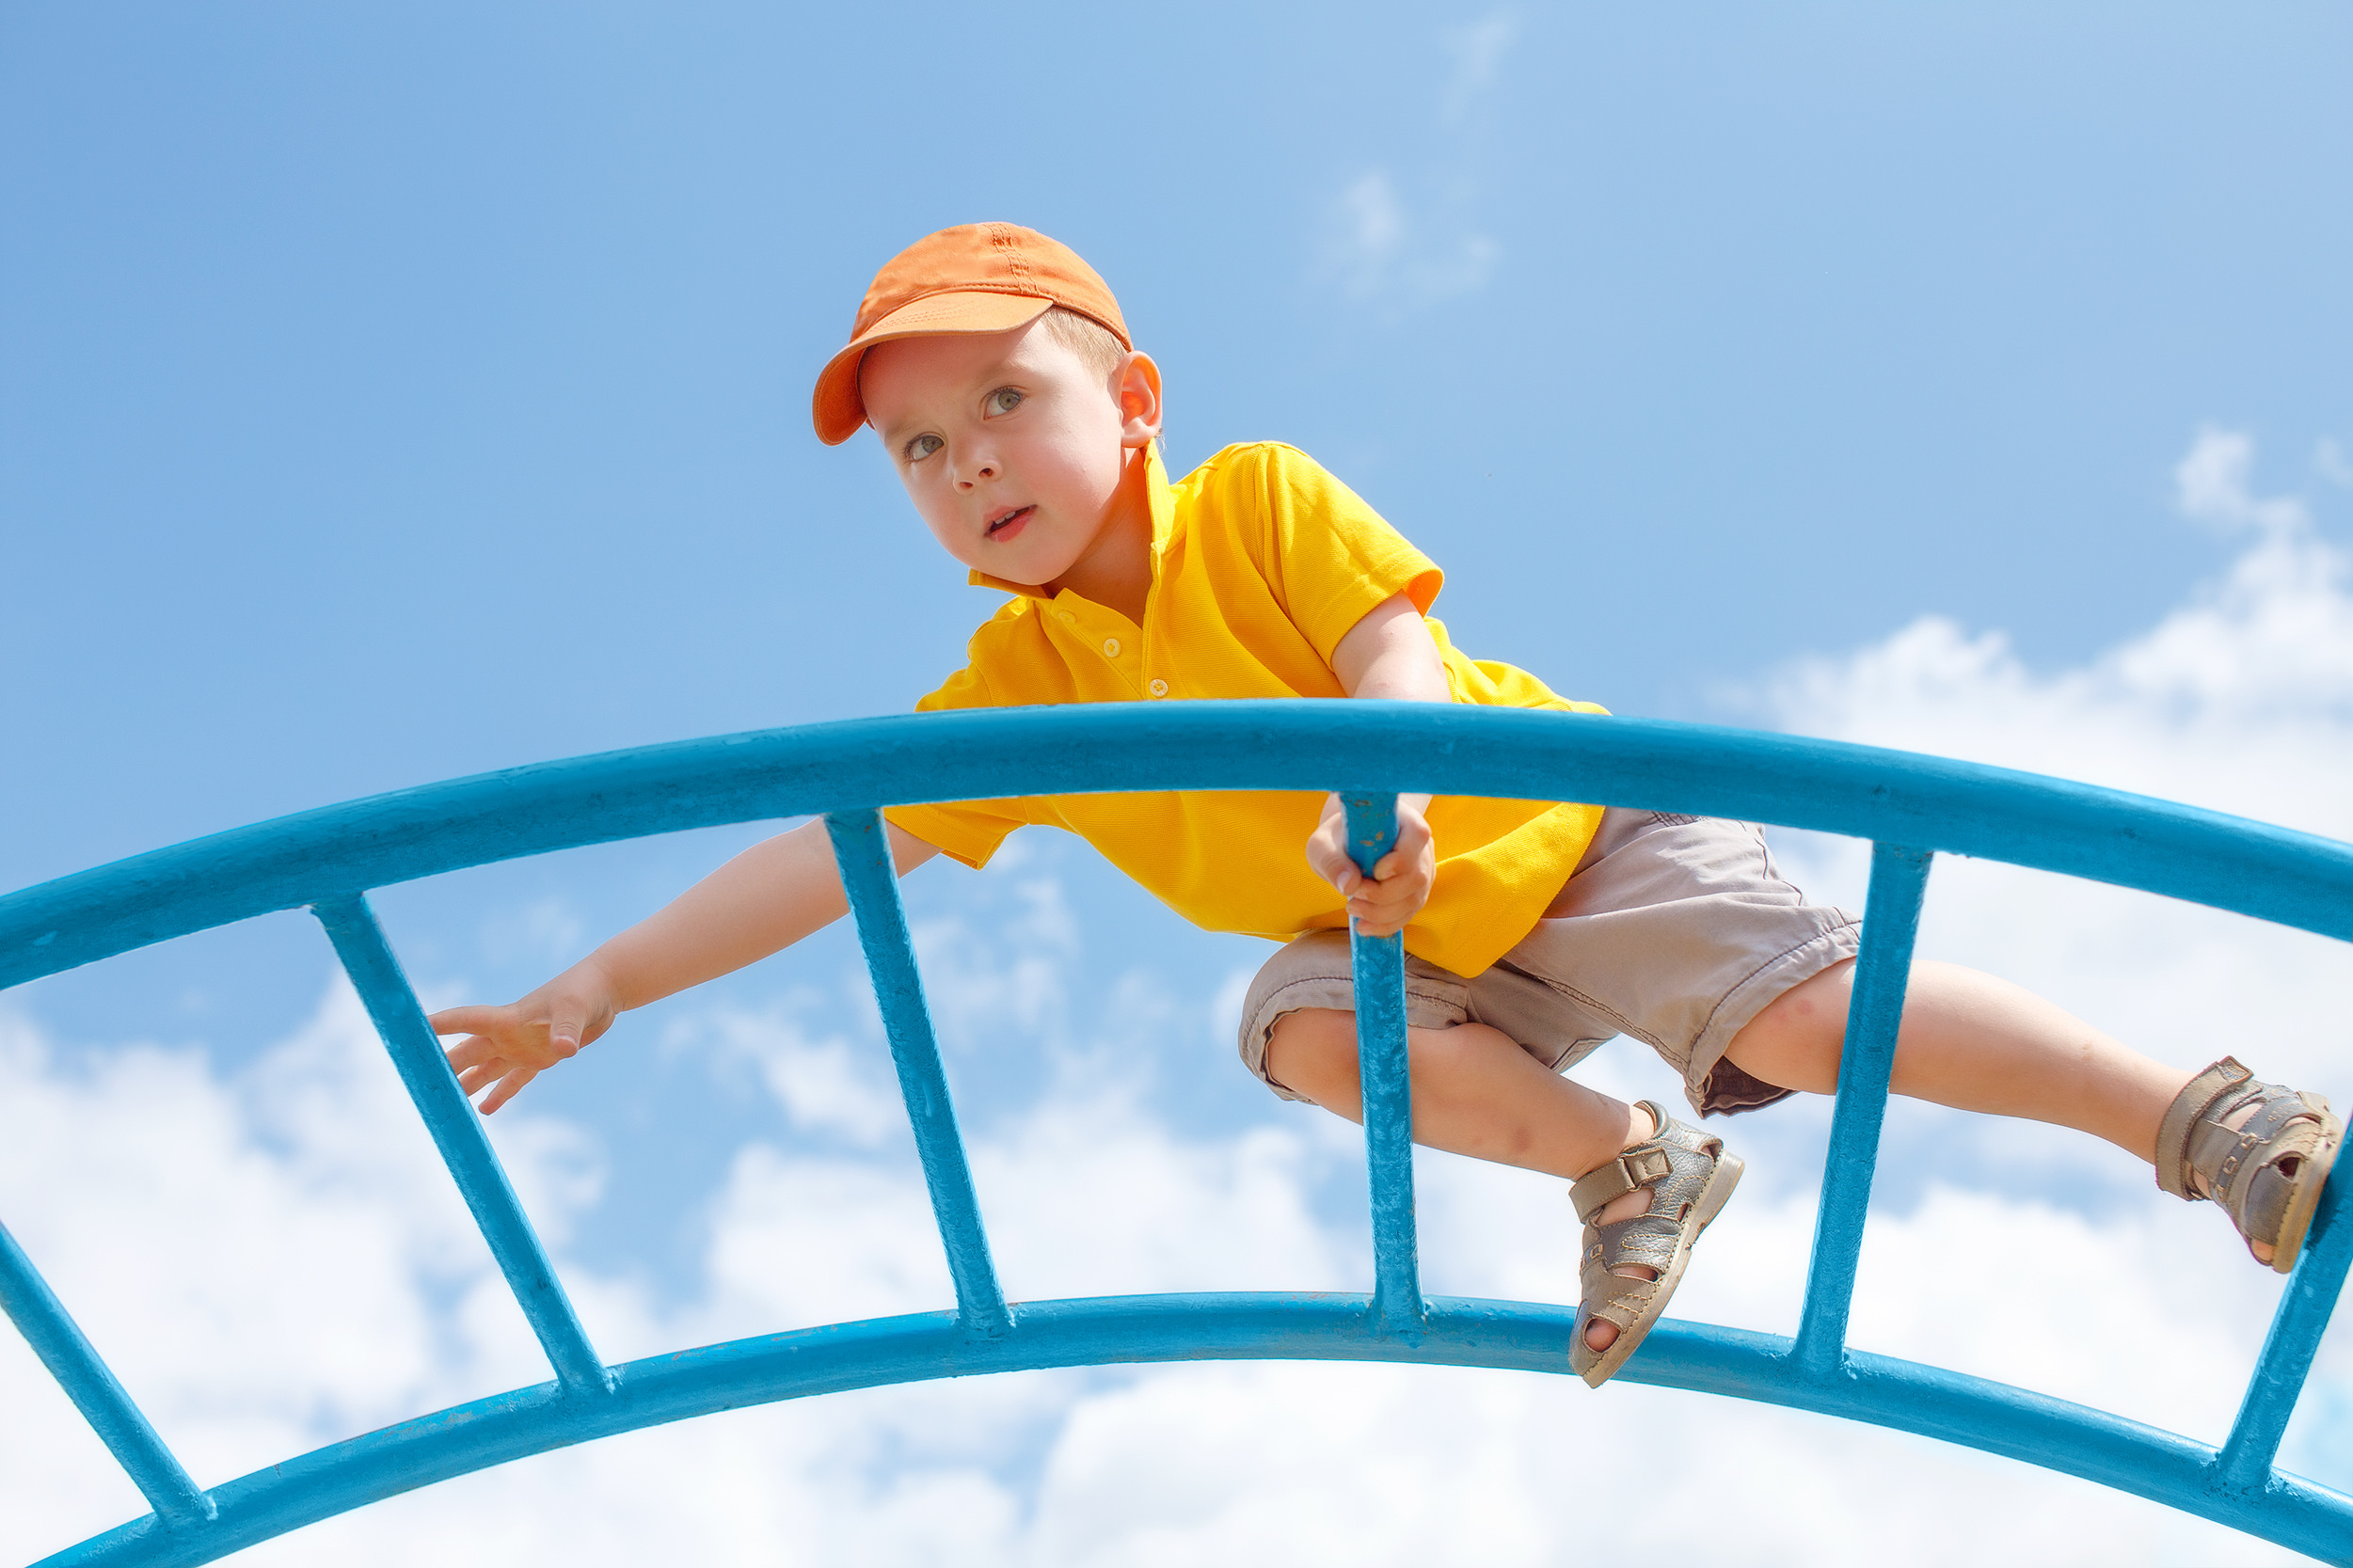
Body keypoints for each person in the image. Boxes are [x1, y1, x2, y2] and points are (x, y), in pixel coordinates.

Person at [429, 223, 2341, 1387]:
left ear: (1133, 398)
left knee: (1807, 1022)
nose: (969, 465)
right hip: (1398, 941)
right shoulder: (1018, 690)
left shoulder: (1253, 500)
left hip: (1554, 842)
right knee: (1295, 1027)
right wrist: (592, 991)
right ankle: (1625, 1162)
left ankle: (2207, 1119)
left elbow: (1386, 651)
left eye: (1005, 402)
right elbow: (836, 853)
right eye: (921, 450)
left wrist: (1394, 793)